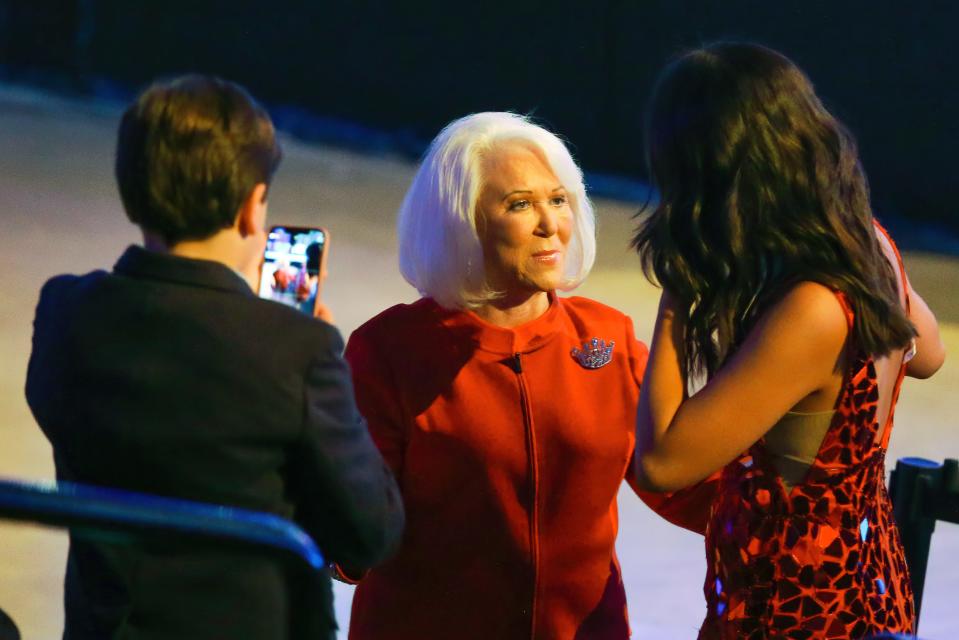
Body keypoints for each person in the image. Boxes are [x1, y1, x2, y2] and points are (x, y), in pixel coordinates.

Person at [25, 75, 403, 640]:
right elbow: (371, 533)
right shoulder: (295, 349)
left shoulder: (64, 313)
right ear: (255, 209)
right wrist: (318, 365)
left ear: (130, 189)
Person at [341, 112, 716, 639]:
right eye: (520, 204)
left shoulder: (605, 338)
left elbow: (687, 487)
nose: (550, 224)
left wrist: (804, 497)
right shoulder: (388, 352)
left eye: (558, 200)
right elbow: (353, 537)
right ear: (461, 220)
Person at [632, 43, 946, 638]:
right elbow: (929, 353)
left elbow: (662, 462)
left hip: (798, 612)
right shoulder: (867, 245)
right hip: (864, 589)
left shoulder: (810, 308)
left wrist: (676, 295)